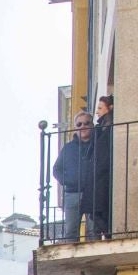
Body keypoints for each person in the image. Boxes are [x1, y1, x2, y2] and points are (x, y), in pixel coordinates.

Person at [52, 111, 95, 241]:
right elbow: (56, 169)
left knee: (94, 231)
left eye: (86, 123)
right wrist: (67, 181)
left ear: (92, 125)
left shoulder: (98, 144)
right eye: (79, 124)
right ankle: (72, 260)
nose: (83, 126)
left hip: (93, 193)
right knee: (71, 232)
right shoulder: (68, 148)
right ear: (75, 128)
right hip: (72, 193)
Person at [91, 93, 115, 236]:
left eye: (100, 108)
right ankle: (107, 233)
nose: (97, 111)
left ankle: (108, 233)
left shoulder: (109, 126)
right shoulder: (101, 127)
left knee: (99, 210)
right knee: (97, 211)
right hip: (101, 174)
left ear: (110, 108)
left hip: (104, 174)